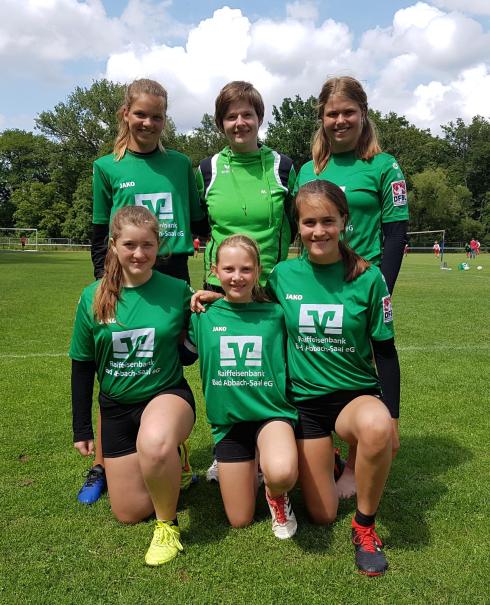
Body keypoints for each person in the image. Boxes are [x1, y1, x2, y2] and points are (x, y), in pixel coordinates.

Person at [80, 78, 206, 504]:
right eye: (140, 114)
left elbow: (201, 222)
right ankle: (102, 464)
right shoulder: (106, 167)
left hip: (171, 273)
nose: (148, 122)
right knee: (114, 364)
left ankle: (169, 448)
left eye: (157, 116)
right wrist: (105, 285)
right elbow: (100, 233)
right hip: (122, 277)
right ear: (125, 114)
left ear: (165, 119)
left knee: (173, 361)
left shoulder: (181, 164)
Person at [267, 180, 400, 575]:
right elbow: (254, 314)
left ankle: (365, 527)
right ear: (298, 226)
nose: (319, 231)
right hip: (306, 404)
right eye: (309, 222)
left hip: (353, 399)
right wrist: (215, 299)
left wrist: (392, 417)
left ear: (344, 220)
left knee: (377, 425)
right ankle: (335, 463)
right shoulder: (282, 275)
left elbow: (385, 352)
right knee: (323, 514)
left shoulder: (370, 278)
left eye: (328, 220)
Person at [295, 76, 407, 497]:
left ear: (363, 114)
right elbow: (301, 229)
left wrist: (381, 289)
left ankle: (363, 451)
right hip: (318, 283)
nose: (340, 120)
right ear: (321, 118)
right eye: (332, 113)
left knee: (366, 363)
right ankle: (321, 446)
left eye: (348, 112)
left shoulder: (384, 166)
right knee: (314, 356)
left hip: (363, 284)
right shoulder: (308, 170)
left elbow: (396, 233)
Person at [70, 206, 196, 566]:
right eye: (129, 245)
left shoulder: (177, 290)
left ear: (158, 246)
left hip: (166, 396)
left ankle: (167, 526)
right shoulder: (92, 296)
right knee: (129, 511)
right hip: (116, 408)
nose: (139, 253)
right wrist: (82, 427)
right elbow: (82, 365)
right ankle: (168, 463)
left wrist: (207, 315)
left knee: (154, 443)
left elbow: (189, 355)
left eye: (147, 245)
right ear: (113, 245)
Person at [195, 80, 296, 482]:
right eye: (231, 116)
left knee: (271, 369)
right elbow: (199, 225)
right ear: (221, 123)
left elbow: (297, 222)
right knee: (226, 371)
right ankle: (227, 447)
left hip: (270, 288)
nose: (240, 122)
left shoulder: (283, 166)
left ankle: (275, 442)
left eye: (247, 114)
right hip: (221, 287)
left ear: (259, 118)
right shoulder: (207, 169)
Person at [185, 235, 298, 538]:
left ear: (258, 271)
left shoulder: (277, 314)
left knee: (282, 472)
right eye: (229, 269)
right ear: (215, 271)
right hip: (230, 423)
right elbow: (181, 353)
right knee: (239, 519)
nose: (237, 277)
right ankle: (253, 467)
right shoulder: (202, 316)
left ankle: (276, 493)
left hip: (271, 415)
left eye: (246, 269)